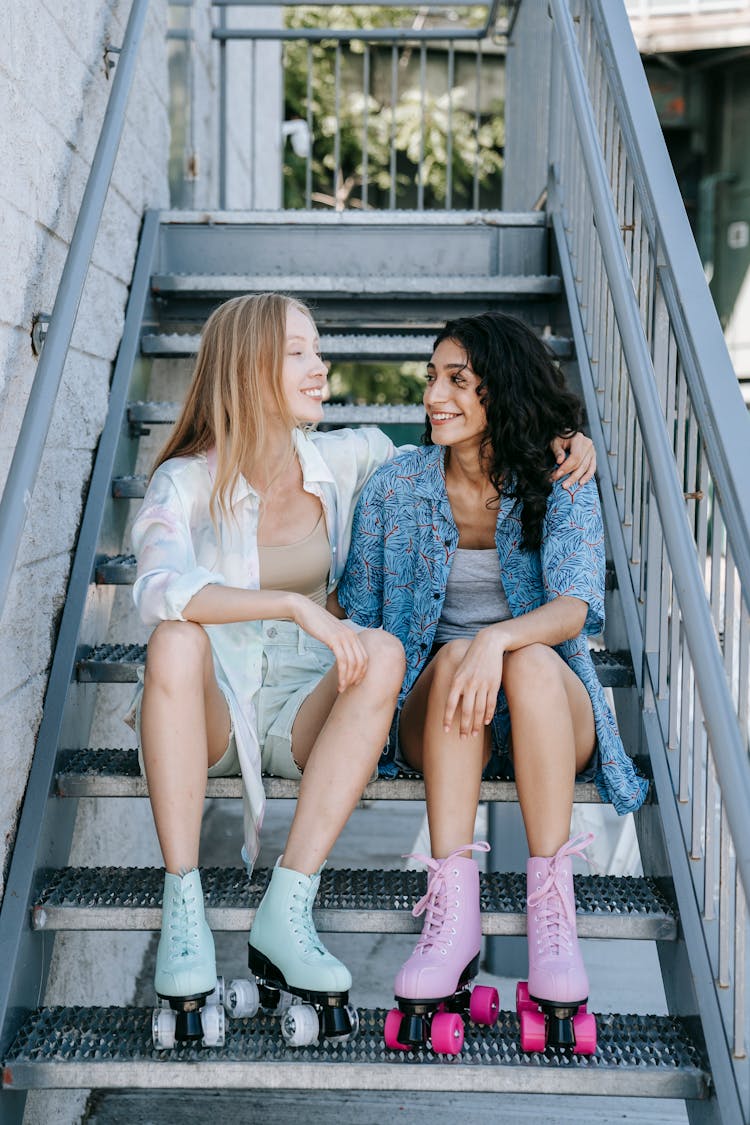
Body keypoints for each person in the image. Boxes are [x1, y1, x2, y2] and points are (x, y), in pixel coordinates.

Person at [130, 293, 598, 1043]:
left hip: (313, 706)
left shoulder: (352, 459)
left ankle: (288, 910)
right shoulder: (185, 483)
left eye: (320, 351)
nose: (323, 368)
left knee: (392, 650)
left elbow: (481, 448)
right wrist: (293, 604)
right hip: (214, 707)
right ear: (250, 366)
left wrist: (567, 439)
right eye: (302, 353)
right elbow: (154, 589)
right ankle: (182, 913)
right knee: (175, 641)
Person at [338, 311, 648, 1052]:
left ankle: (553, 920)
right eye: (432, 379)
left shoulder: (559, 473)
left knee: (534, 659)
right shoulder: (396, 487)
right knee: (449, 661)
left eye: (457, 380)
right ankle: (452, 915)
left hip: (543, 713)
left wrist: (498, 641)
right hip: (441, 718)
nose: (434, 396)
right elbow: (358, 609)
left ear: (499, 391)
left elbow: (573, 608)